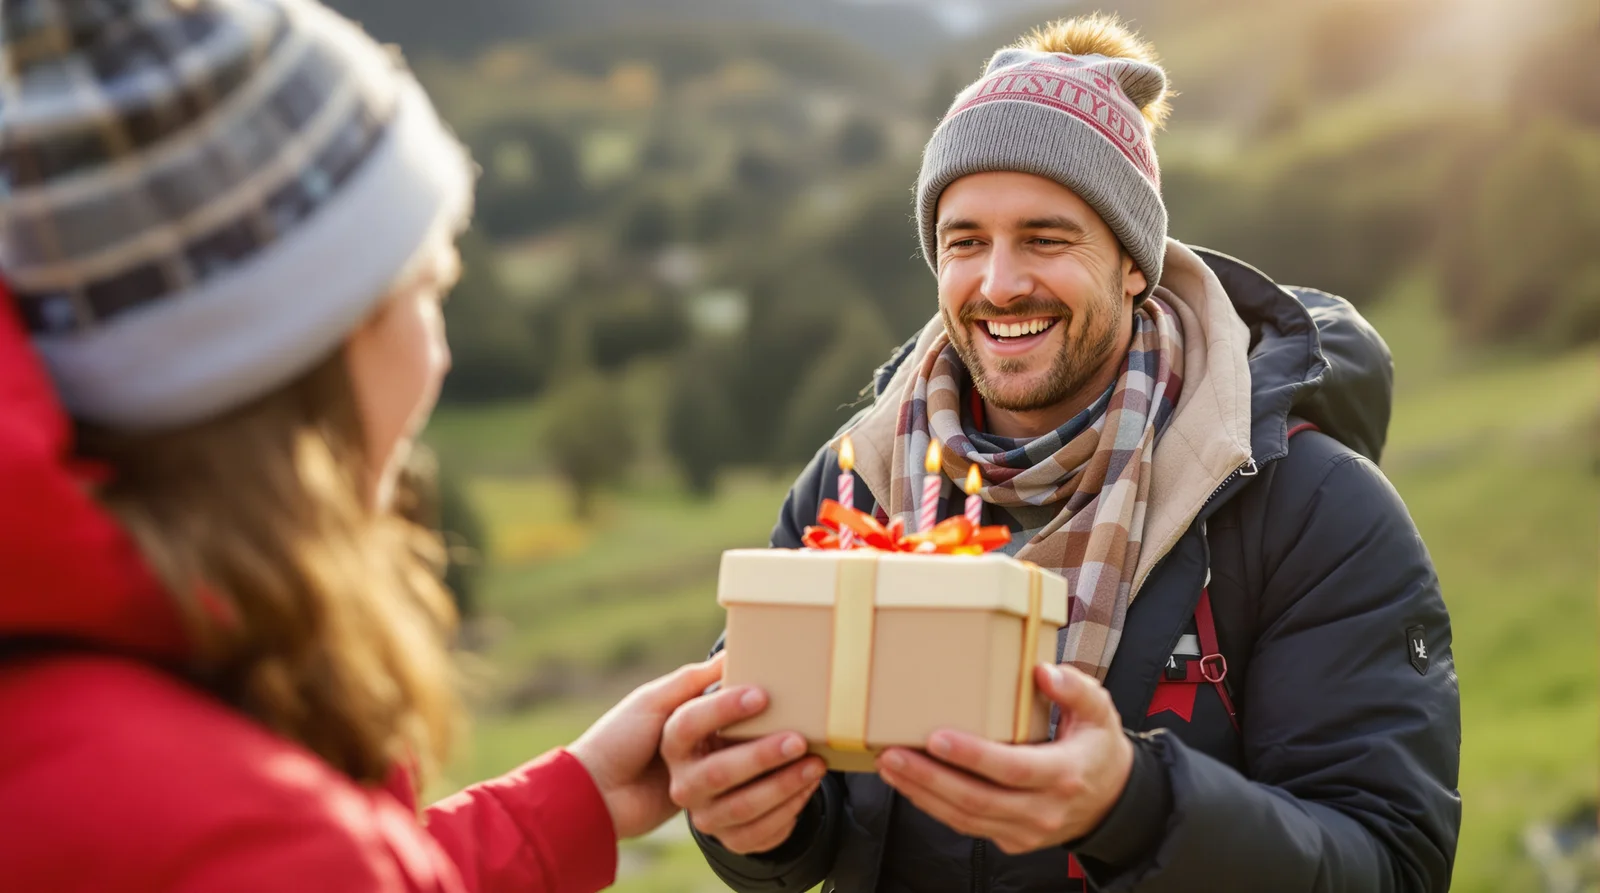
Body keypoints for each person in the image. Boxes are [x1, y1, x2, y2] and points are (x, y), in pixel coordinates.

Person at [666, 14, 1462, 892]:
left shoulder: (1309, 507)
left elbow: (1391, 864)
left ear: (1133, 262)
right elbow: (791, 815)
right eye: (965, 241)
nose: (1000, 283)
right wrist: (757, 826)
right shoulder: (855, 486)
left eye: (1045, 239)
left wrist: (1136, 805)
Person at [0, 1, 766, 890]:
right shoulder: (261, 840)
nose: (440, 353)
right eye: (428, 286)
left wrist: (575, 801)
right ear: (315, 342)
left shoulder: (83, 729)